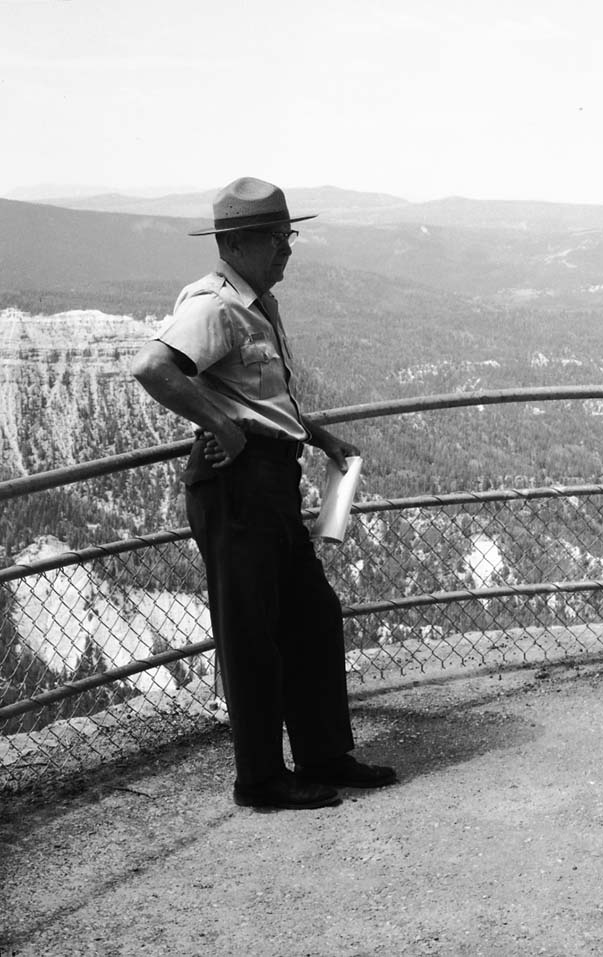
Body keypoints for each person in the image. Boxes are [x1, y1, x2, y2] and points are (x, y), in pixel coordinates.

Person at [132, 177, 396, 808]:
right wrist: (220, 425)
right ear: (236, 243)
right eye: (275, 238)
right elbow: (152, 366)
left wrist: (322, 439)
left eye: (288, 235)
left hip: (271, 480)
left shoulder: (257, 302)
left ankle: (325, 755)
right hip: (236, 485)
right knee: (252, 634)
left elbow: (265, 402)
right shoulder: (217, 305)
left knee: (311, 618)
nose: (286, 249)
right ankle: (261, 779)